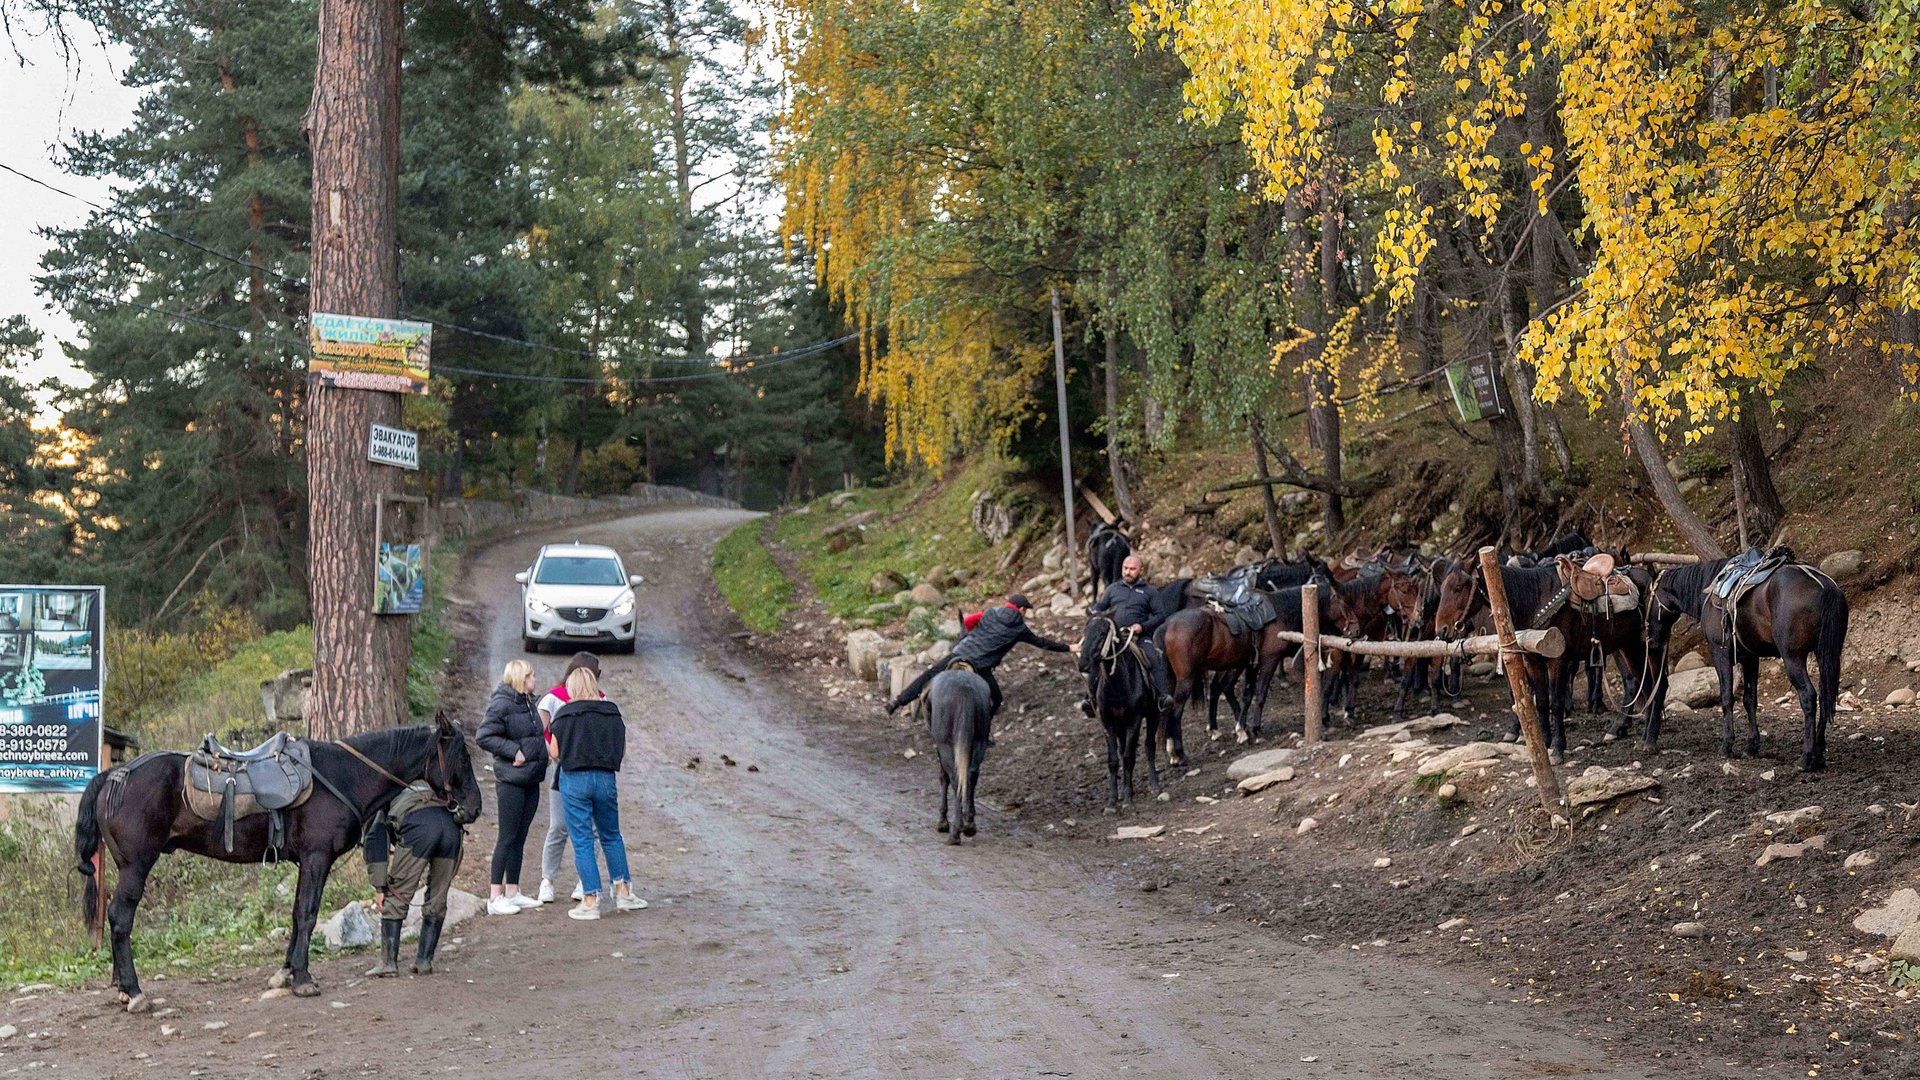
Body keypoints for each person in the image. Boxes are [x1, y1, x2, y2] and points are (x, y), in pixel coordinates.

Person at [549, 666, 646, 920]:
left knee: (582, 840)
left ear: (571, 688)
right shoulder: (612, 712)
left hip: (574, 779)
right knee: (611, 835)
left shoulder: (563, 714)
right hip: (605, 778)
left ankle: (591, 900)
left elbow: (555, 752)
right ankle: (623, 891)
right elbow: (622, 749)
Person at [885, 593, 1069, 720]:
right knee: (997, 699)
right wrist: (1068, 647)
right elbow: (1043, 643)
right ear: (1020, 609)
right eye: (1025, 610)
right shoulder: (1020, 629)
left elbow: (967, 622)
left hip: (960, 653)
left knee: (929, 675)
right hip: (981, 667)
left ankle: (897, 702)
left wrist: (972, 636)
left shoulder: (989, 613)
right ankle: (982, 733)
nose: (1025, 613)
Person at [363, 779, 465, 977]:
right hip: (452, 829)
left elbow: (376, 840)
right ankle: (424, 961)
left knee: (396, 896)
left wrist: (379, 887)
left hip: (419, 827)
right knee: (437, 897)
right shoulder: (431, 781)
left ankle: (388, 963)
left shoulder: (381, 796)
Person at [476, 659, 547, 916]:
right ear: (521, 678)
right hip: (511, 780)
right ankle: (495, 896)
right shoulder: (502, 704)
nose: (535, 679)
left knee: (520, 837)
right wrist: (513, 750)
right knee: (506, 837)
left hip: (531, 778)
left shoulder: (528, 702)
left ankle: (513, 891)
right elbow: (484, 736)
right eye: (531, 675)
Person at [535, 652, 602, 904]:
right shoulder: (553, 698)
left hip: (589, 770)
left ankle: (585, 880)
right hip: (562, 769)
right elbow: (538, 729)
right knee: (559, 826)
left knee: (591, 829)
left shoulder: (601, 700)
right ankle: (547, 880)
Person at [1085, 555, 1177, 714]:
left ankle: (1162, 696)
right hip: (1113, 636)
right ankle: (1091, 699)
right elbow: (1100, 607)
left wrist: (1142, 626)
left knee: (1153, 658)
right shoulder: (1112, 589)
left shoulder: (1150, 592)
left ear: (1140, 570)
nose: (1128, 572)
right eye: (1125, 568)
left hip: (1138, 636)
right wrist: (1094, 612)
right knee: (1096, 657)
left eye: (1132, 569)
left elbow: (1160, 615)